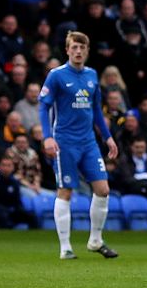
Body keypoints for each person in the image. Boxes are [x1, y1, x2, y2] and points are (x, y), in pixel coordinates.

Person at [39, 31, 119, 260]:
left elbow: (96, 111)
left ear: (87, 50)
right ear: (67, 50)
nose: (78, 51)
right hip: (65, 141)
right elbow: (44, 106)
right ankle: (65, 247)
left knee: (103, 189)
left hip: (89, 142)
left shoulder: (92, 75)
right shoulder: (56, 76)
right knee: (65, 191)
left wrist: (108, 137)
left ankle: (95, 240)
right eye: (74, 47)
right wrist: (47, 136)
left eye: (82, 47)